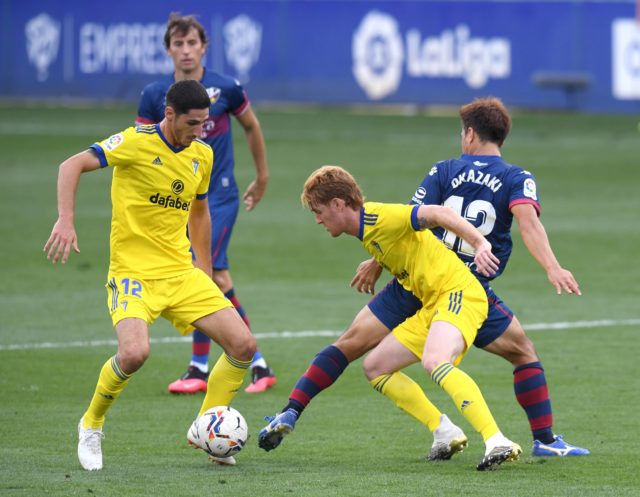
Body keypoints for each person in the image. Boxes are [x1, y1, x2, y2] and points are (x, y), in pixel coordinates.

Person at [258, 97, 588, 459]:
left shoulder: (443, 171)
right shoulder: (516, 178)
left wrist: (376, 262)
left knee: (352, 344)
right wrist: (552, 267)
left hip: (433, 284)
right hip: (459, 280)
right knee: (523, 353)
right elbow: (526, 223)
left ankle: (296, 408)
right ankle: (543, 438)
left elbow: (414, 216)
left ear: (470, 134)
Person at [45, 80, 256, 470]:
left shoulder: (202, 155)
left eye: (204, 124)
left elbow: (199, 212)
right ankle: (91, 424)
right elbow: (70, 165)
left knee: (242, 345)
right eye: (193, 124)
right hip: (133, 273)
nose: (199, 131)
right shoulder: (134, 142)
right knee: (135, 353)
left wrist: (204, 269)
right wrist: (66, 219)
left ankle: (206, 428)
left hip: (180, 271)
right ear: (170, 115)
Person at [262, 165, 521, 470]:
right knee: (376, 367)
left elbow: (438, 213)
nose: (318, 219)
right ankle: (444, 431)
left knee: (435, 361)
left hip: (458, 292)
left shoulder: (379, 217)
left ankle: (496, 439)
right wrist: (377, 261)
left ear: (338, 204)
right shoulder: (368, 232)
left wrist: (480, 244)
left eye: (318, 211)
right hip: (431, 302)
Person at [136, 13, 275, 394]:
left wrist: (261, 176)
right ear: (168, 49)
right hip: (180, 200)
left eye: (192, 43)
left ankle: (198, 369)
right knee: (221, 280)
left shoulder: (225, 88)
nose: (185, 51)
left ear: (204, 46)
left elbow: (252, 126)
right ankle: (259, 364)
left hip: (220, 196)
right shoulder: (154, 96)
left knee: (202, 272)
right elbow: (142, 149)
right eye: (178, 44)